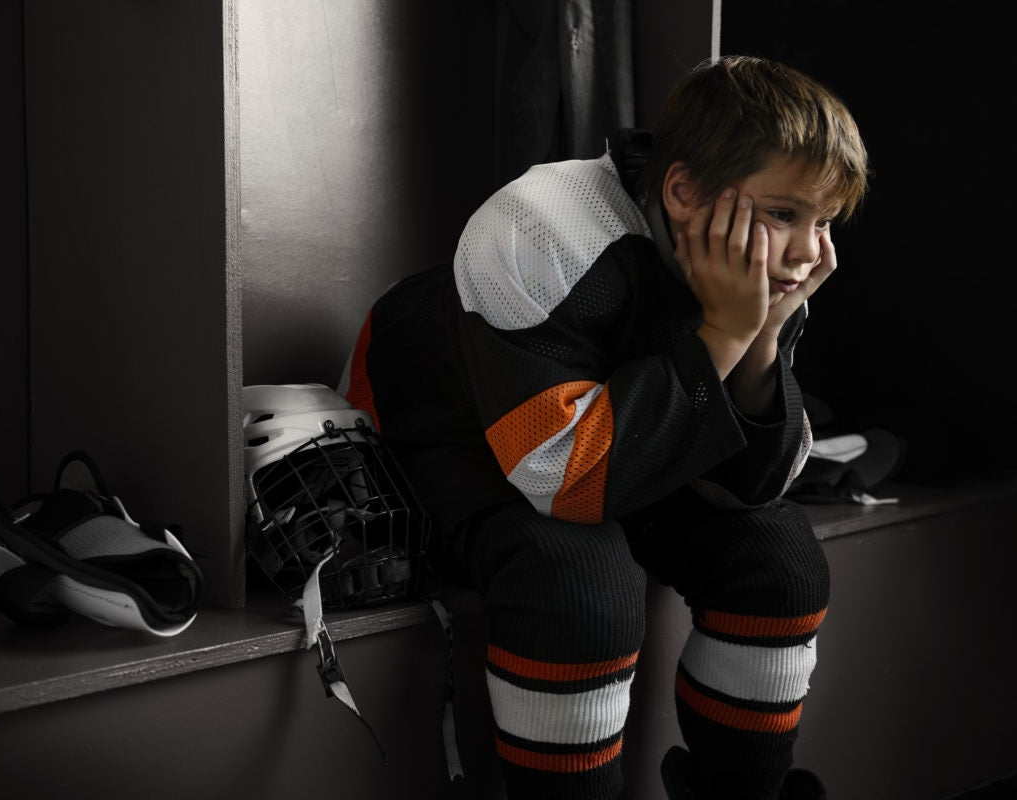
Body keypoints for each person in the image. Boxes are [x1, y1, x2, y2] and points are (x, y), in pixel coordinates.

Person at [338, 55, 869, 800]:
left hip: (616, 431)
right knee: (581, 579)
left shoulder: (761, 262)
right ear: (682, 192)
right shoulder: (537, 222)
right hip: (448, 425)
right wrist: (724, 332)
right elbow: (563, 480)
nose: (811, 251)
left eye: (824, 222)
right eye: (785, 214)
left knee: (781, 561)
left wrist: (760, 336)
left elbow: (758, 486)